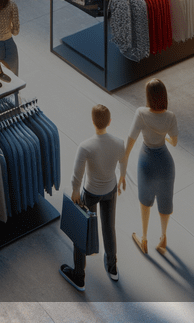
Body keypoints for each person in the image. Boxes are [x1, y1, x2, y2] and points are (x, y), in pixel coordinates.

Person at [60, 104, 127, 291]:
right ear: (110, 122)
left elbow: (77, 174)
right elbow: (123, 160)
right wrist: (121, 177)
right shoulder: (119, 142)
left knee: (82, 232)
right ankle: (112, 267)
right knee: (109, 228)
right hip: (110, 190)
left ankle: (79, 276)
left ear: (92, 122)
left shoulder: (86, 147)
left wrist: (75, 191)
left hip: (90, 193)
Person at [122, 78, 178, 257]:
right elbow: (174, 142)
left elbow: (131, 139)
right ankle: (163, 238)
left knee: (145, 201)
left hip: (146, 161)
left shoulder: (141, 113)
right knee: (165, 200)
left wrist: (123, 164)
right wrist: (165, 138)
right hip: (166, 164)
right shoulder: (170, 116)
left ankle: (144, 238)